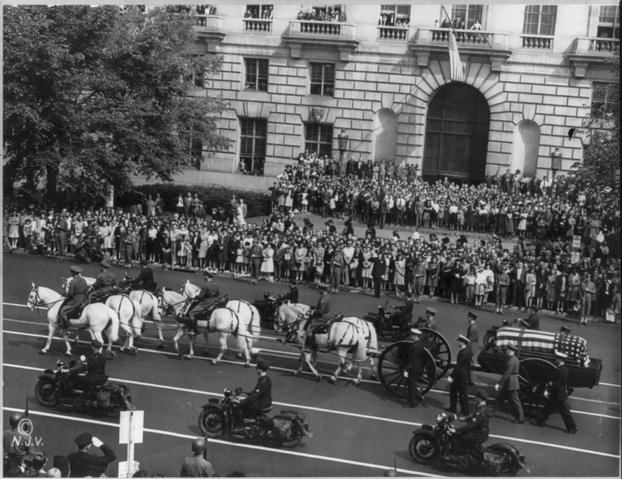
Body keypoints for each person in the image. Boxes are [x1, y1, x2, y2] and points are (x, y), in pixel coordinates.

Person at [533, 351, 578, 433]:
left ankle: (572, 427)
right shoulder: (565, 369)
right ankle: (540, 421)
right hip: (560, 394)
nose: (555, 360)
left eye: (556, 359)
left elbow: (556, 384)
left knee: (552, 409)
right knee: (550, 409)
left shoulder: (560, 370)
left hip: (557, 394)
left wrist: (547, 391)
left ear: (560, 360)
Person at [450, 390, 490, 457]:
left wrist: (456, 430)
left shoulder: (480, 411)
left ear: (479, 399)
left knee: (455, 436)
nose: (475, 398)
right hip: (483, 432)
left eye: (476, 397)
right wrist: (459, 418)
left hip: (478, 434)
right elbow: (473, 418)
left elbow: (471, 425)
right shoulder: (485, 408)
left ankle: (454, 456)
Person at [493, 343, 525, 424]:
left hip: (511, 383)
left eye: (507, 349)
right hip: (510, 382)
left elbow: (507, 373)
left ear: (510, 350)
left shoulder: (512, 360)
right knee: (499, 398)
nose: (505, 351)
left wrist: (499, 383)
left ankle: (520, 418)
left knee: (515, 401)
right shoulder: (512, 359)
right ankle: (490, 412)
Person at [446, 335, 471, 415]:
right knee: (454, 390)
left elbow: (459, 365)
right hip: (462, 375)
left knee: (462, 394)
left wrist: (452, 376)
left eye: (459, 341)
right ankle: (454, 408)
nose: (458, 343)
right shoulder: (466, 350)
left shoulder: (463, 353)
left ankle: (464, 411)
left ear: (462, 342)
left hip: (461, 376)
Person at [58, 265, 89, 333]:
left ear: (73, 273)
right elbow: (86, 291)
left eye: (71, 272)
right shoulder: (83, 280)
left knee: (62, 311)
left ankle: (67, 328)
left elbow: (70, 294)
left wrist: (67, 297)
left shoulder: (73, 281)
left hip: (75, 301)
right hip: (83, 299)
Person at [404, 328, 425, 407]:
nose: (411, 336)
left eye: (411, 335)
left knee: (412, 386)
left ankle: (412, 402)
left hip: (413, 369)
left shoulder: (415, 346)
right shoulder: (419, 343)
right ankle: (414, 399)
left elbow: (412, 359)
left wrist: (406, 370)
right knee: (412, 385)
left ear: (415, 335)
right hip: (417, 367)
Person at [466, 311, 479, 385]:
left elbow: (470, 340)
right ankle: (470, 379)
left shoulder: (472, 327)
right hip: (472, 346)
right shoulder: (474, 325)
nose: (467, 318)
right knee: (469, 363)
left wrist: (466, 348)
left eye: (468, 317)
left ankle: (471, 380)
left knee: (469, 363)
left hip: (470, 347)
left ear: (471, 317)